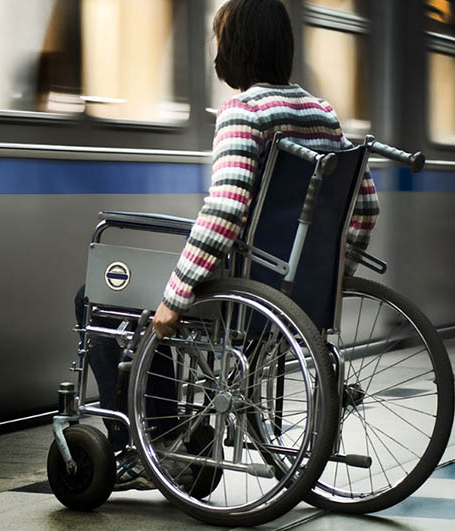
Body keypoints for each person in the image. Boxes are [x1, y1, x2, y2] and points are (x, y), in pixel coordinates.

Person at [78, 0, 380, 490]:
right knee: (147, 297)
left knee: (100, 298)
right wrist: (330, 274)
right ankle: (166, 437)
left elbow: (225, 209)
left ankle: (147, 442)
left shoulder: (244, 110)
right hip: (297, 296)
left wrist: (174, 299)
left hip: (245, 294)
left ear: (233, 49)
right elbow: (365, 210)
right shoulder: (323, 114)